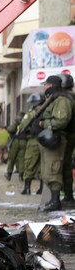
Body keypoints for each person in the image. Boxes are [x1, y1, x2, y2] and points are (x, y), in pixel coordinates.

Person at [37, 75, 73, 211]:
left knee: (53, 170)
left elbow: (61, 120)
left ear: (52, 85)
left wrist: (44, 123)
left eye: (46, 84)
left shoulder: (62, 100)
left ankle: (55, 201)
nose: (44, 87)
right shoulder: (55, 99)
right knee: (50, 170)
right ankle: (54, 200)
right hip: (52, 138)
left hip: (57, 138)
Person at [60, 74, 75, 204]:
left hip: (69, 135)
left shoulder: (65, 99)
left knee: (66, 165)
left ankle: (68, 195)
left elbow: (63, 120)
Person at [5, 112, 25, 182]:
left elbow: (10, 129)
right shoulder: (27, 121)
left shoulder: (16, 122)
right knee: (22, 159)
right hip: (24, 141)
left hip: (16, 140)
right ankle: (21, 175)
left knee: (12, 158)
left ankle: (9, 173)